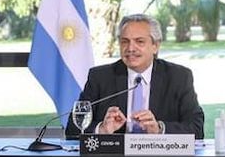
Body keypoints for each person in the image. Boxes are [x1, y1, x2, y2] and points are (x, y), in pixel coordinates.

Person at [65, 14, 204, 138]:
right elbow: (73, 128)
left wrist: (159, 129)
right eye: (125, 41)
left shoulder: (179, 77)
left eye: (140, 41)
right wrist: (102, 129)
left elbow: (196, 129)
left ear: (155, 46)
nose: (130, 48)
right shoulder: (100, 77)